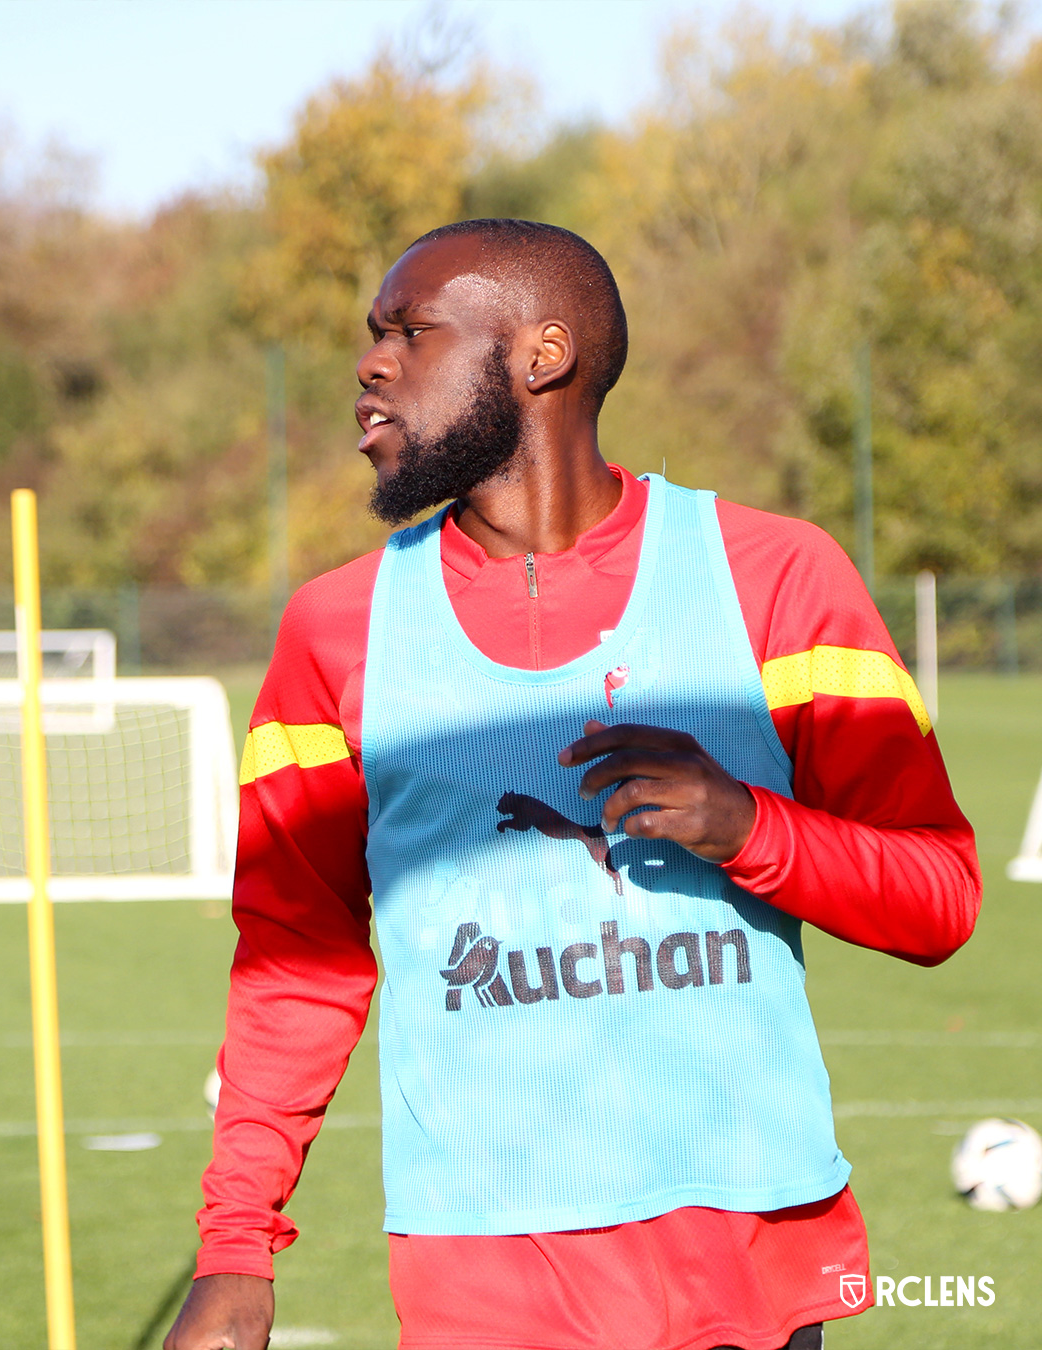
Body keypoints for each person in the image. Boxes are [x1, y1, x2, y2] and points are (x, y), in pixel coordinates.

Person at [165, 219, 981, 1350]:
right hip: (483, 1279)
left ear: (543, 356)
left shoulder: (778, 577)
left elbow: (941, 897)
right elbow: (294, 963)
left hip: (750, 1254)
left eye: (412, 332)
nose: (372, 364)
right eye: (372, 337)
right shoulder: (334, 633)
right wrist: (236, 1246)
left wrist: (746, 825)